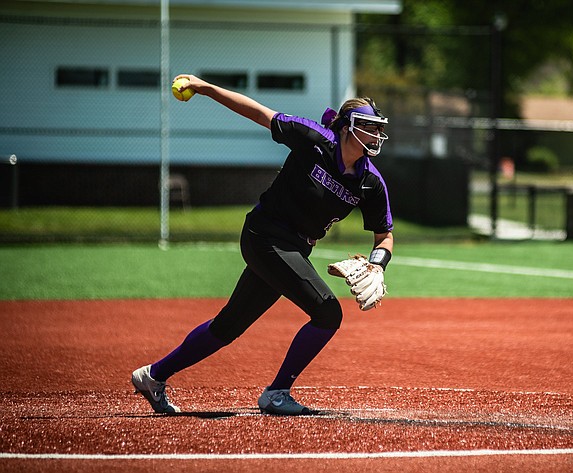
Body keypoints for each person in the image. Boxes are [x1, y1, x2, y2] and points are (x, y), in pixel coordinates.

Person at [131, 74, 395, 415]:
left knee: (227, 327)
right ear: (346, 127)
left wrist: (377, 264)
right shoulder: (314, 138)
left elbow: (384, 235)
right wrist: (206, 88)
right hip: (265, 235)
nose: (376, 135)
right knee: (328, 312)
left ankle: (153, 376)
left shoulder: (370, 182)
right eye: (369, 126)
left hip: (293, 248)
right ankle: (277, 392)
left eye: (378, 129)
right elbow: (258, 112)